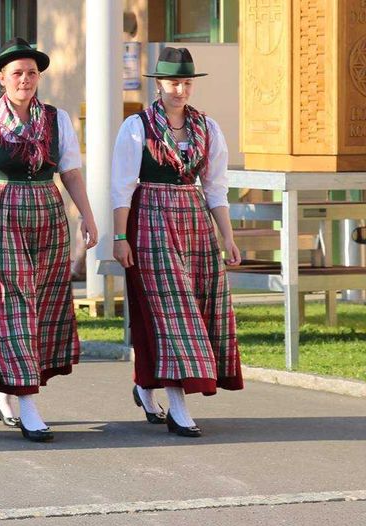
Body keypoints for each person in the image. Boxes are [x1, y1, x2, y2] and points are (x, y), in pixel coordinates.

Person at [0, 38, 96, 442]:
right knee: (12, 306)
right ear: (1, 79)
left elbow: (72, 173)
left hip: (48, 212)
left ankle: (5, 394)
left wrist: (88, 219)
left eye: (31, 72)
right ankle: (27, 402)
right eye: (17, 73)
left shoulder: (58, 120)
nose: (25, 79)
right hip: (0, 213)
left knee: (40, 305)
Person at [113, 47, 243, 437]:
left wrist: (228, 237)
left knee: (199, 306)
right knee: (174, 310)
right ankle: (179, 406)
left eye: (186, 82)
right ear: (159, 84)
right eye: (173, 82)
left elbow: (216, 188)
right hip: (150, 218)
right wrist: (120, 237)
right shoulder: (136, 126)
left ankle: (145, 384)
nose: (181, 89)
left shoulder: (208, 127)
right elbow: (122, 186)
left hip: (194, 221)